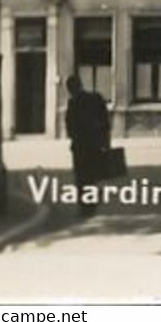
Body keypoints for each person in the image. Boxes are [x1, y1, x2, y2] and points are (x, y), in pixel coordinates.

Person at [64, 73, 111, 217]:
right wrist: (106, 142)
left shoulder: (73, 103)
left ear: (70, 89)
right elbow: (105, 123)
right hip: (93, 144)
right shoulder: (95, 98)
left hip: (80, 146)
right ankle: (90, 202)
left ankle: (85, 204)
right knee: (91, 175)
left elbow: (69, 126)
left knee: (81, 176)